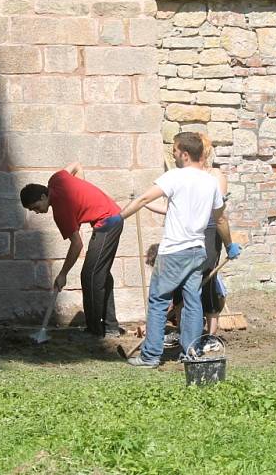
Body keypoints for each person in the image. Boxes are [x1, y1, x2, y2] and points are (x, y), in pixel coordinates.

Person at [112, 132, 241, 368]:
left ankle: (150, 356)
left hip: (173, 251)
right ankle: (190, 354)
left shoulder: (174, 177)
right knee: (193, 301)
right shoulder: (210, 182)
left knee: (158, 301)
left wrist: (118, 218)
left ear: (184, 153)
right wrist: (229, 244)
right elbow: (220, 220)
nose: (173, 155)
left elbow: (142, 199)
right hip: (197, 251)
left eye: (174, 151)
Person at [147, 133, 232, 351]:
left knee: (207, 282)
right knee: (184, 291)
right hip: (189, 236)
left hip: (209, 233)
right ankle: (184, 335)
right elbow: (174, 208)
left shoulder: (214, 176)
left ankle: (209, 335)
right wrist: (145, 205)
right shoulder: (185, 176)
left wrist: (230, 244)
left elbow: (217, 212)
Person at [20, 162, 123, 339]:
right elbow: (76, 165)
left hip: (108, 222)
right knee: (102, 274)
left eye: (36, 207)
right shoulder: (56, 178)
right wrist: (81, 194)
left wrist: (63, 274)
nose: (37, 212)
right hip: (111, 217)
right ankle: (111, 327)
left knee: (90, 276)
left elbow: (77, 245)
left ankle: (94, 331)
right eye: (32, 210)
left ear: (44, 196)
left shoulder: (60, 210)